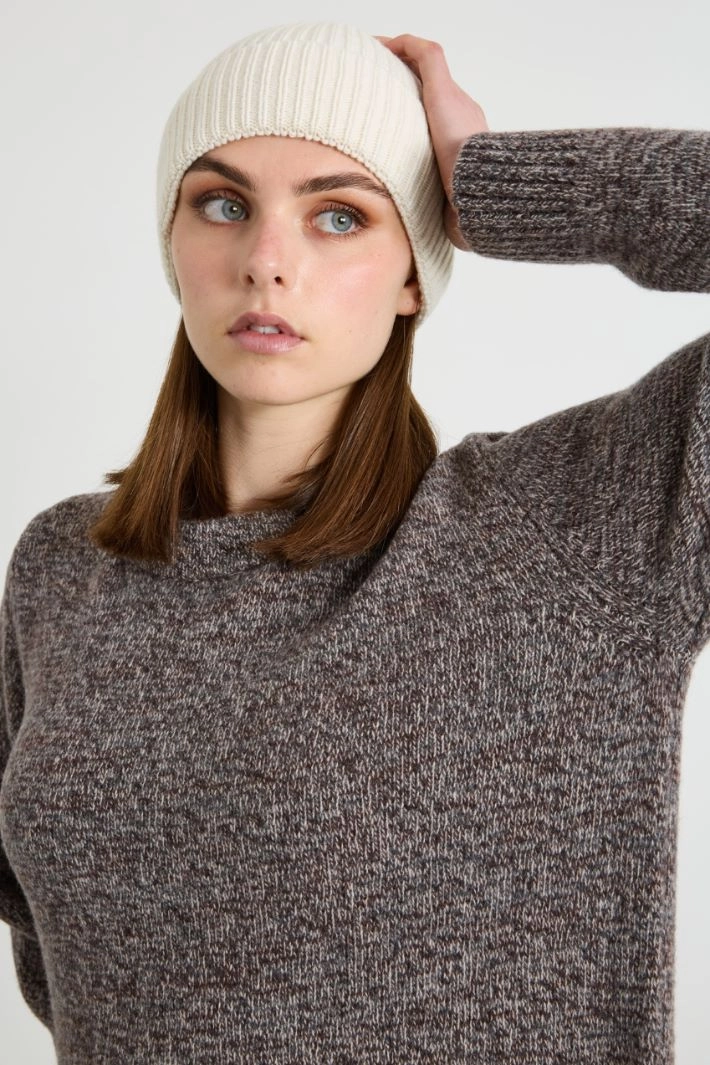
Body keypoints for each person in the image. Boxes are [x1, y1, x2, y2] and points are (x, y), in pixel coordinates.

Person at [0, 20, 707, 1065]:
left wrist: (496, 183)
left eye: (340, 215)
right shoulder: (64, 566)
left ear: (415, 268)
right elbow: (62, 964)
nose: (266, 262)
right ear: (172, 242)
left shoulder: (568, 531)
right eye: (223, 204)